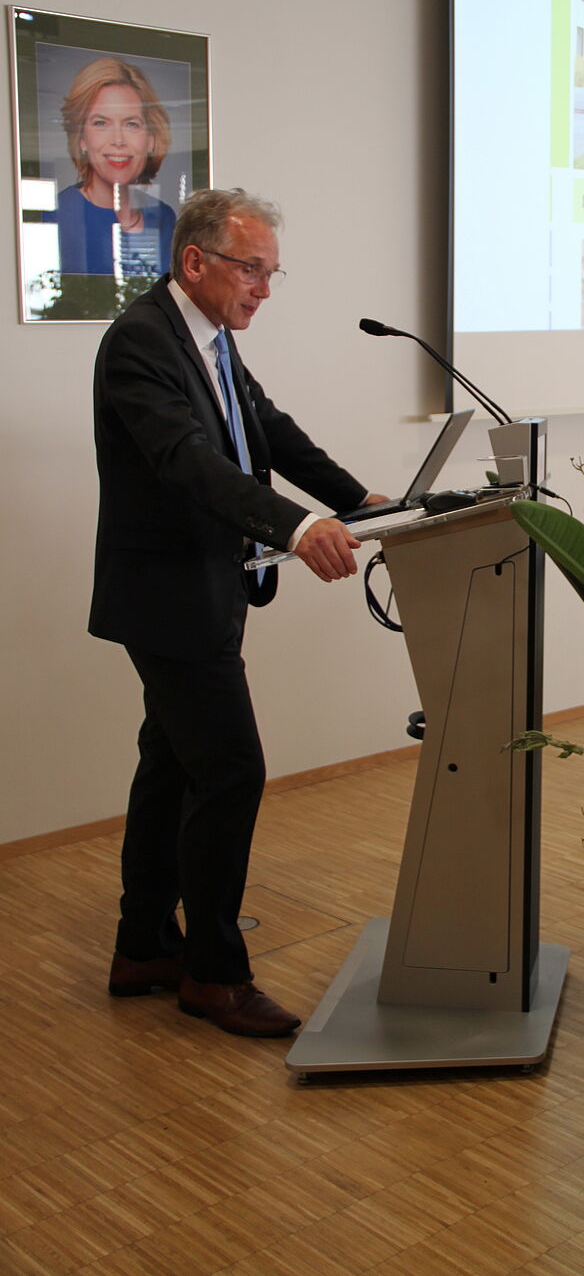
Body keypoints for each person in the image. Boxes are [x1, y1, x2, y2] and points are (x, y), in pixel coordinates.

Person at [91, 187, 387, 1037]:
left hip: (206, 589)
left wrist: (358, 500)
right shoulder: (140, 342)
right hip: (169, 598)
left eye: (270, 272)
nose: (263, 287)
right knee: (232, 770)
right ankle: (214, 975)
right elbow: (187, 460)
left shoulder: (210, 340)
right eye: (251, 268)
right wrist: (298, 527)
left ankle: (144, 944)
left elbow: (271, 433)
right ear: (196, 262)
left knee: (173, 765)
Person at [44, 56, 176, 278]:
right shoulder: (58, 215)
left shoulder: (165, 218)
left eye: (131, 124)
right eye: (101, 123)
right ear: (82, 138)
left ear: (150, 139)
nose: (118, 140)